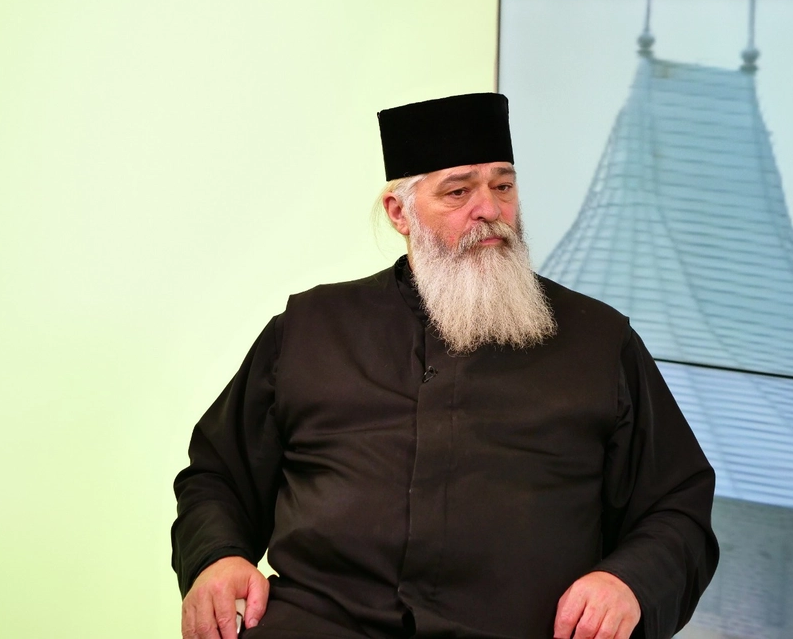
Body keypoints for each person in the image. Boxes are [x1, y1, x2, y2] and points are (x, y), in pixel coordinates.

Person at [171, 93, 718, 639]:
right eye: (458, 191)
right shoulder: (309, 329)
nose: (490, 210)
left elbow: (676, 507)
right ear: (399, 213)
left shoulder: (598, 340)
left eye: (503, 187)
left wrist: (628, 582)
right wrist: (217, 557)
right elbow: (218, 475)